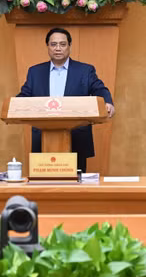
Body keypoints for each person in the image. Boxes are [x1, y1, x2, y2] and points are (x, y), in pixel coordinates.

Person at [17, 28, 115, 172]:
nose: (58, 48)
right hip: (43, 138)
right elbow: (24, 95)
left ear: (69, 46)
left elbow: (99, 89)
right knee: (44, 188)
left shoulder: (85, 70)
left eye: (62, 44)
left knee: (76, 189)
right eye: (53, 44)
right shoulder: (35, 72)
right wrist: (15, 106)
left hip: (77, 137)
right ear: (48, 47)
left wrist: (107, 101)